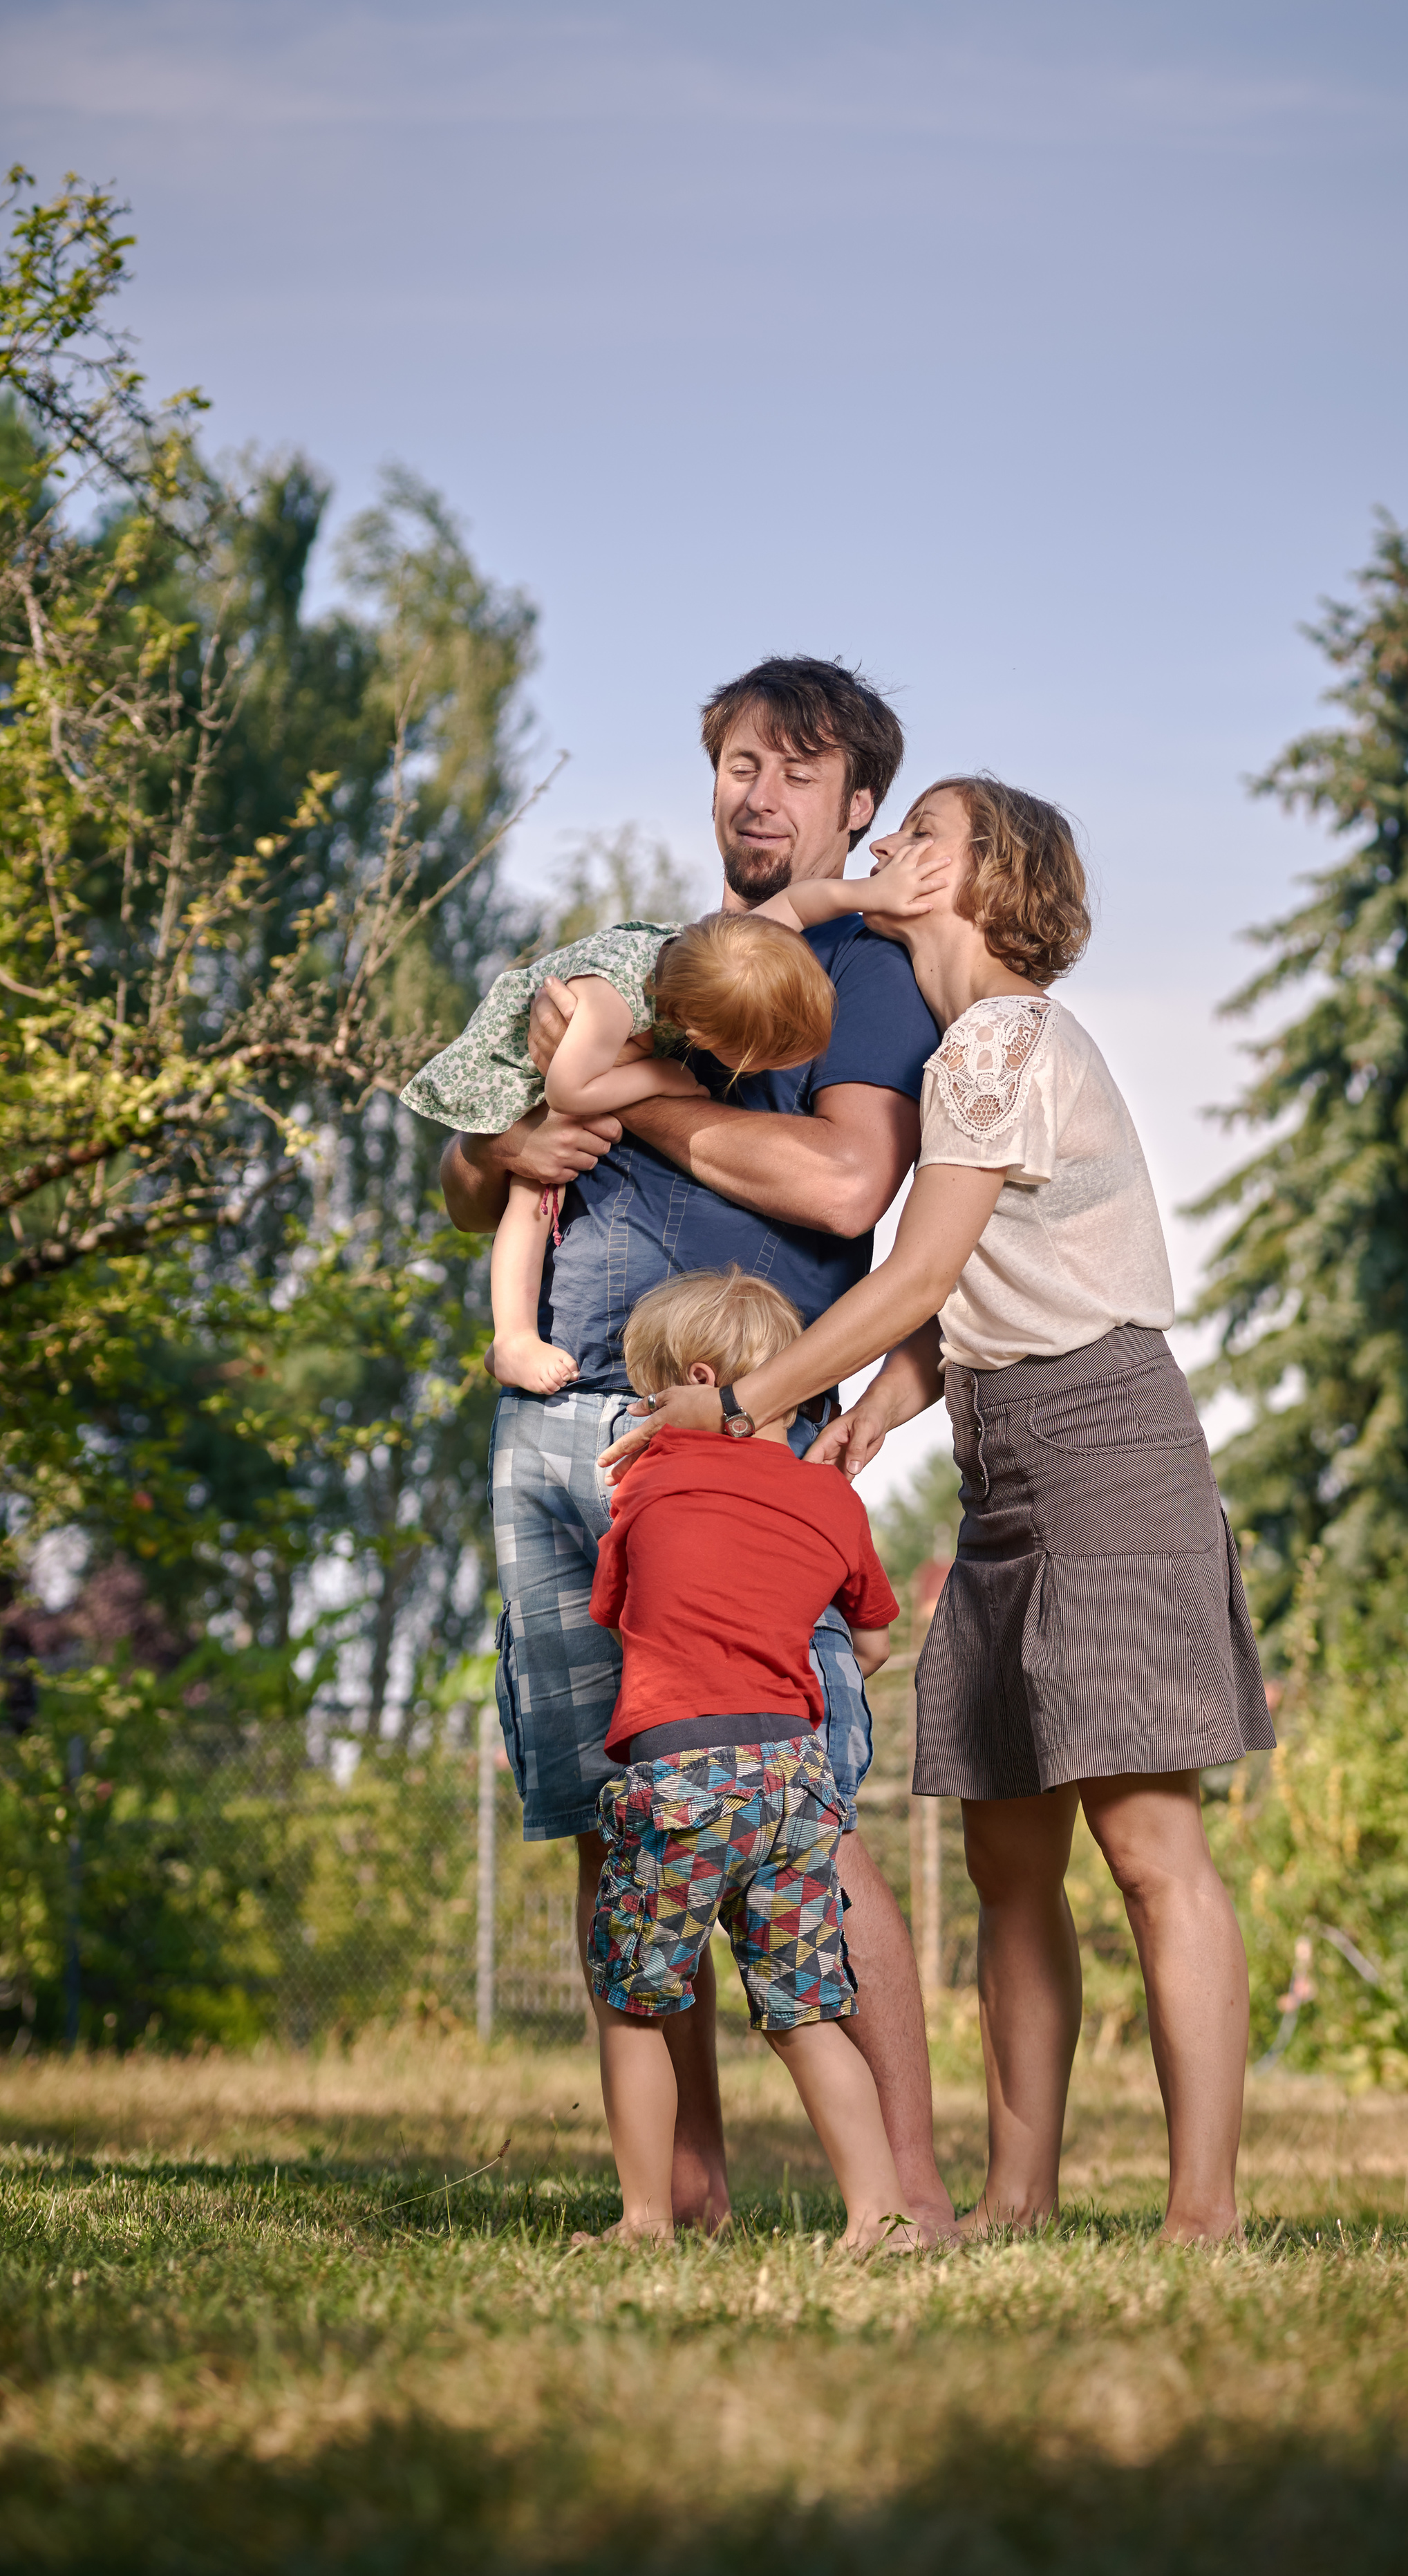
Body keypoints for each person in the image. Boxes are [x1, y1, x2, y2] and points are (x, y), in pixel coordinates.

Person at [602, 775, 1276, 2245]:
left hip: (1105, 1450)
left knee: (1151, 1850)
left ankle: (1203, 2214)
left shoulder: (1000, 1038)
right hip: (1003, 1456)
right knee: (1006, 1861)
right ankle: (1015, 2200)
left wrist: (751, 1404)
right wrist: (871, 1416)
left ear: (989, 880)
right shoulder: (972, 1056)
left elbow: (913, 1275)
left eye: (924, 833)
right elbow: (956, 1300)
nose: (893, 847)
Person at [432, 657, 953, 2238]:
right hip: (561, 1423)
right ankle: (681, 2189)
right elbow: (482, 1181)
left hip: (730, 1442)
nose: (759, 791)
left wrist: (616, 1091)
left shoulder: (859, 973)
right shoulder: (658, 964)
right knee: (614, 1819)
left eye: (798, 769)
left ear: (857, 804)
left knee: (804, 1815)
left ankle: (911, 2191)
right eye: (738, 760)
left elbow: (846, 1188)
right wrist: (508, 1139)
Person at [575, 1264, 924, 2250]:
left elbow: (616, 1610)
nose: (648, 1412)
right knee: (805, 2009)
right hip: (794, 1782)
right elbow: (871, 1640)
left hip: (683, 1774)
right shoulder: (831, 1500)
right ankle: (878, 2215)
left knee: (637, 2001)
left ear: (697, 1375)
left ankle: (646, 2218)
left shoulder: (648, 1480)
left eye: (654, 1393)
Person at [406, 842, 945, 1394]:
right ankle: (514, 1336)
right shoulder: (613, 1000)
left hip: (589, 1063)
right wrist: (658, 1079)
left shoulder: (730, 954)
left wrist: (870, 893)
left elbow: (802, 905)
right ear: (703, 1040)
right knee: (535, 1187)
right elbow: (567, 1088)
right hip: (532, 1073)